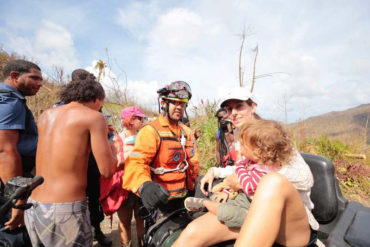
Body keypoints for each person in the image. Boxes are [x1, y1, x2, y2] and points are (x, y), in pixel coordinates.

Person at [173, 86, 319, 247]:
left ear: (253, 106)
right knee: (193, 233)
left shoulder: (271, 135)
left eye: (239, 106)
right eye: (229, 109)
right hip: (249, 209)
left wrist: (244, 184)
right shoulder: (239, 136)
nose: (233, 112)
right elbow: (245, 167)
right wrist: (215, 170)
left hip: (287, 220)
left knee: (272, 182)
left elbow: (304, 178)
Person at [24, 78, 117, 246]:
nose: (100, 109)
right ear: (96, 99)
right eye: (101, 104)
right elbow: (107, 170)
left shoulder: (46, 115)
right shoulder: (95, 118)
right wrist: (111, 144)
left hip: (34, 205)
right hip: (65, 210)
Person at [122, 81, 199, 217]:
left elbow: (193, 162)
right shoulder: (151, 131)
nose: (179, 107)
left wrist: (195, 186)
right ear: (164, 103)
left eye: (182, 103)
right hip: (161, 204)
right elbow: (136, 163)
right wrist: (144, 185)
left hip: (185, 199)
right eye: (175, 102)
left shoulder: (187, 132)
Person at [0, 60, 43, 246]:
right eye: (34, 78)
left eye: (41, 79)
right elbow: (5, 151)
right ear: (14, 76)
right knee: (13, 237)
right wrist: (16, 202)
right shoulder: (10, 102)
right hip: (8, 186)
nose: (40, 84)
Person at [115, 106, 147, 247]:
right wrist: (131, 156)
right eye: (140, 118)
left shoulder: (143, 137)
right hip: (124, 186)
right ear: (131, 120)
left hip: (140, 184)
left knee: (141, 219)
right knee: (125, 222)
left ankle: (143, 243)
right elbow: (112, 163)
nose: (143, 121)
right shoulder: (117, 139)